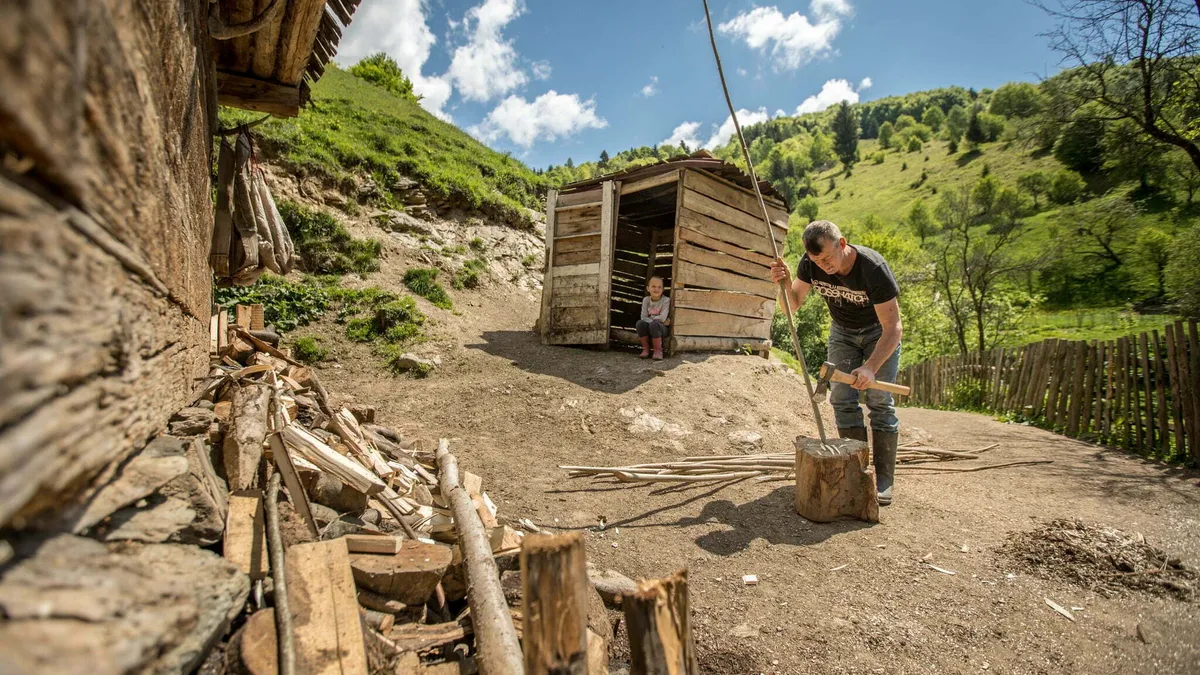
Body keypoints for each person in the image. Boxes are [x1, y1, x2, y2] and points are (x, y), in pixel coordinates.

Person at [769, 220, 903, 505]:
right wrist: (784, 282)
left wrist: (870, 367)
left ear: (842, 244)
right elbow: (790, 307)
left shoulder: (872, 269)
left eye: (828, 257)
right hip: (842, 333)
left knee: (879, 400)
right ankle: (856, 472)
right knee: (842, 399)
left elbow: (894, 328)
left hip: (879, 333)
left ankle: (884, 482)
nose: (824, 265)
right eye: (817, 260)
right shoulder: (811, 263)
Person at [637, 276, 670, 360]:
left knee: (654, 325)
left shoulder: (666, 300)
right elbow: (643, 317)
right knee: (640, 323)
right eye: (653, 286)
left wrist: (652, 320)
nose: (656, 289)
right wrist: (655, 320)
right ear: (648, 288)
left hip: (661, 329)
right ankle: (646, 349)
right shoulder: (646, 300)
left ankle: (658, 351)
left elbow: (662, 318)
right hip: (651, 326)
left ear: (663, 289)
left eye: (659, 287)